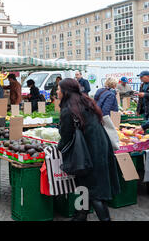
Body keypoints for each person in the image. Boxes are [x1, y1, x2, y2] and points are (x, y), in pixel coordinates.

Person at [57, 78, 120, 221]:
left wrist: (58, 148)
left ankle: (104, 219)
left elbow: (66, 135)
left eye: (58, 89)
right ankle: (80, 215)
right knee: (83, 184)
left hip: (88, 152)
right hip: (99, 146)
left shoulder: (68, 109)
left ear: (65, 92)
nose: (56, 91)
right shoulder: (84, 101)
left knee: (94, 190)